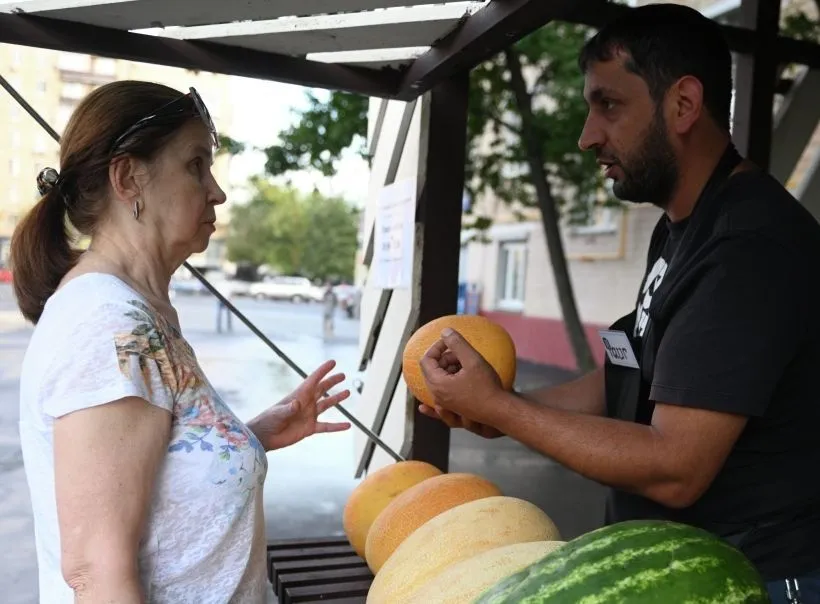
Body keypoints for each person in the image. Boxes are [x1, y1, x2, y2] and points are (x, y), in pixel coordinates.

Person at [416, 5, 820, 603]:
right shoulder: (682, 226)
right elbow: (623, 379)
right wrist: (498, 408)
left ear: (683, 104)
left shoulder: (748, 247)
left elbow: (676, 467)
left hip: (750, 580)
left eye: (609, 104)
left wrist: (503, 410)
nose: (587, 135)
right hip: (669, 568)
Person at [10, 81, 352, 603]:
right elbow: (98, 572)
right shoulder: (108, 325)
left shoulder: (135, 310)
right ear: (128, 178)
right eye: (196, 165)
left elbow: (159, 477)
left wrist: (248, 436)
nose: (217, 191)